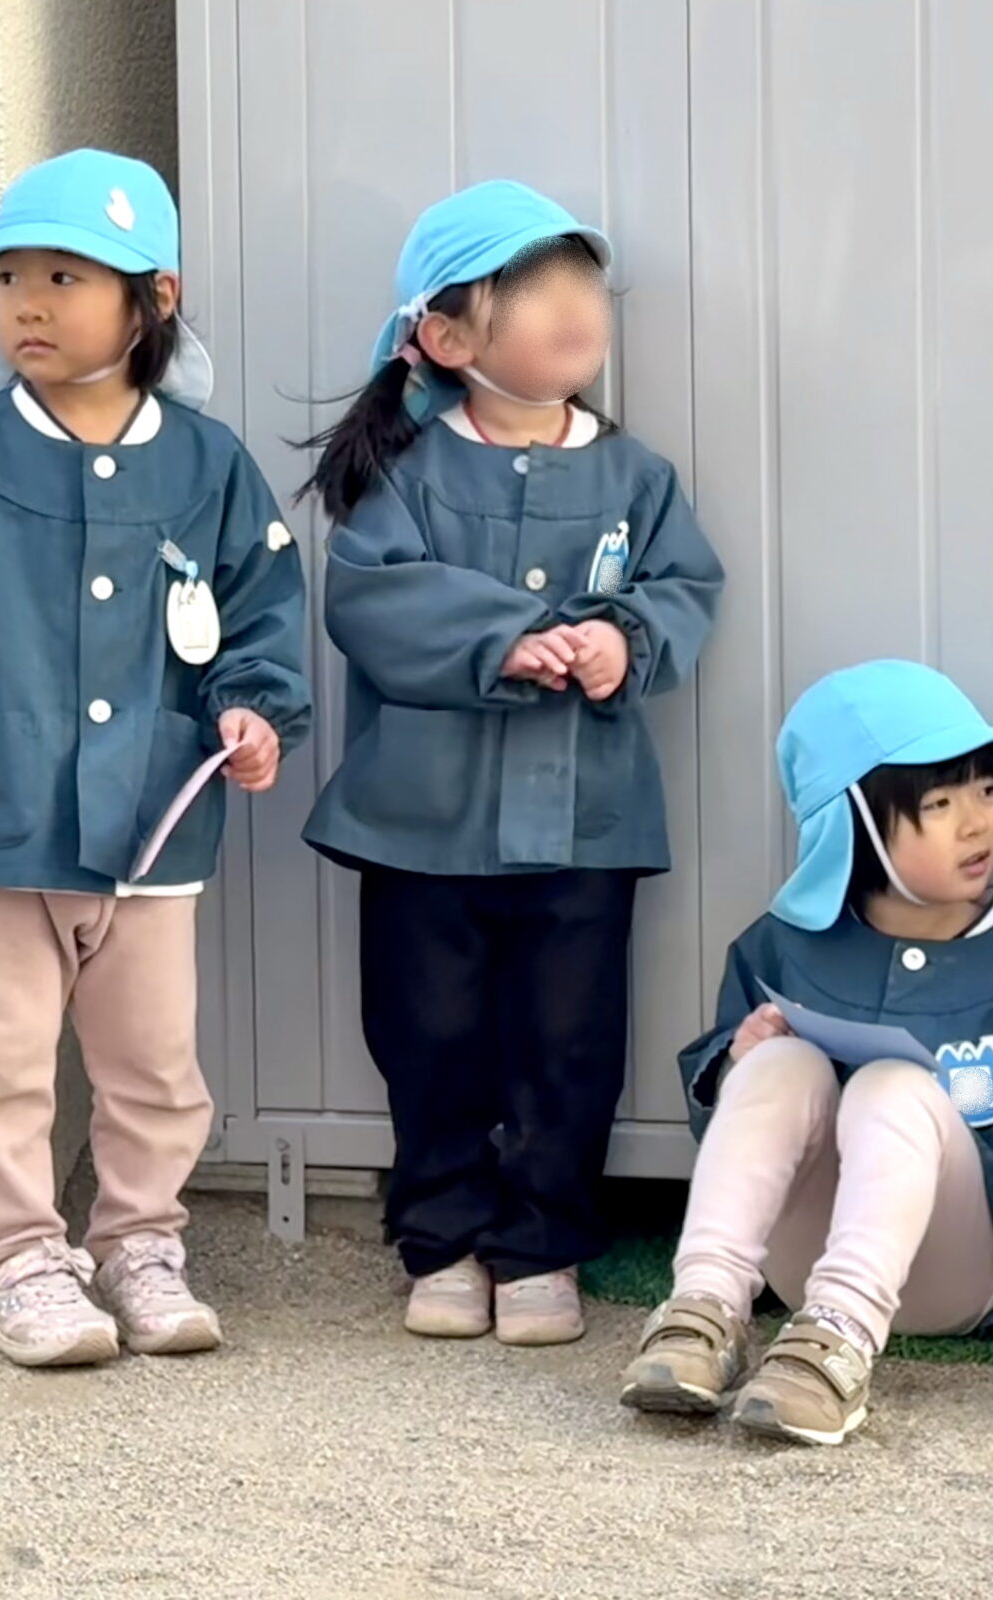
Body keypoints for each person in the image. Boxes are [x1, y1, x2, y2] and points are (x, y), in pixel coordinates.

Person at [0, 150, 310, 1367]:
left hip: (156, 817)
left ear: (154, 298)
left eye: (64, 277)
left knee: (153, 1061)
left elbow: (259, 609)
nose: (29, 305)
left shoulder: (206, 462)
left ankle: (142, 1242)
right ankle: (19, 1262)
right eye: (9, 278)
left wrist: (255, 709)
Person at [299, 181, 723, 1347]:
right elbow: (368, 595)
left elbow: (686, 587)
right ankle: (440, 1238)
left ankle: (541, 1247)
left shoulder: (635, 476)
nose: (572, 306)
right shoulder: (412, 470)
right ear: (446, 337)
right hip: (420, 821)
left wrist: (623, 638)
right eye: (530, 289)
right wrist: (502, 638)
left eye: (583, 282)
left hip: (585, 819)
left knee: (568, 1043)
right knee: (426, 1035)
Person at [619, 662, 993, 1444]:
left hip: (960, 1269)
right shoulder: (778, 947)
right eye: (938, 804)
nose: (977, 823)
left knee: (891, 1087)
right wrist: (738, 1059)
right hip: (800, 1262)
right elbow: (732, 1136)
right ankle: (703, 1309)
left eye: (987, 791)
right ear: (855, 827)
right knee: (777, 1062)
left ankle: (836, 1348)